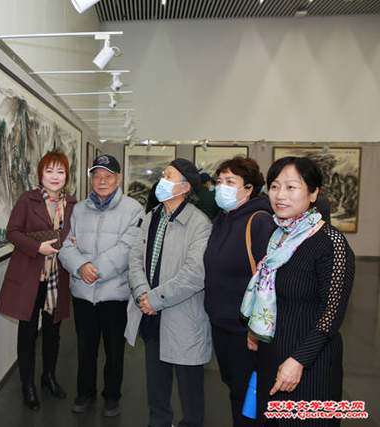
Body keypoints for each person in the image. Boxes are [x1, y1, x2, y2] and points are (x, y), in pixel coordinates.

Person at [240, 156, 355, 426]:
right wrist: (256, 328)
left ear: (313, 193)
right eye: (275, 186)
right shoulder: (278, 236)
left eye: (291, 187)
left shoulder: (331, 242)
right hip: (271, 355)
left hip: (311, 364)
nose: (280, 195)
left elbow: (332, 314)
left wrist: (298, 360)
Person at [125, 158, 212, 427]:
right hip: (151, 315)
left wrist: (154, 299)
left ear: (185, 187)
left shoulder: (199, 223)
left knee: (190, 393)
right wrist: (142, 294)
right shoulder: (152, 216)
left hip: (183, 317)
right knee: (156, 388)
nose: (161, 180)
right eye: (162, 174)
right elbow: (135, 259)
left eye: (168, 176)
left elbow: (194, 274)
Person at [59, 154, 143, 417]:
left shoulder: (133, 209)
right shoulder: (79, 209)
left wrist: (94, 269)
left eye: (108, 176)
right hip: (83, 293)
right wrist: (80, 266)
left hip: (114, 293)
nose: (102, 181)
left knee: (114, 350)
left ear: (118, 179)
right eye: (97, 176)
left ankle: (112, 396)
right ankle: (85, 393)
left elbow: (128, 247)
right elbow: (66, 245)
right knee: (85, 349)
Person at [0, 151, 77, 411]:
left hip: (57, 277)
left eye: (60, 171)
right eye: (49, 171)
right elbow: (12, 232)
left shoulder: (73, 204)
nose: (55, 176)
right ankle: (27, 384)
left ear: (66, 176)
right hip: (30, 275)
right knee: (28, 332)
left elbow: (76, 234)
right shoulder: (27, 200)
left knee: (53, 331)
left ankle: (48, 377)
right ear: (40, 174)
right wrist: (37, 247)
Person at [203, 156, 276, 427]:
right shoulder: (222, 219)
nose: (221, 186)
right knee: (235, 388)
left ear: (249, 188)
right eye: (220, 181)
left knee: (248, 395)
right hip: (221, 324)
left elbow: (269, 280)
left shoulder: (259, 221)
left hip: (244, 330)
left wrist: (255, 329)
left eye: (230, 182)